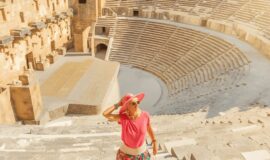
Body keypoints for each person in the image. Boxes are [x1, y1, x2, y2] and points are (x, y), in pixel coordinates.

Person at [102, 93, 157, 160]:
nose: (136, 105)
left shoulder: (145, 115)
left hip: (142, 155)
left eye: (138, 102)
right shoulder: (123, 118)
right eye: (133, 103)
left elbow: (149, 128)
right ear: (127, 106)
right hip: (125, 156)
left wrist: (154, 142)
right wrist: (118, 104)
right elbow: (105, 114)